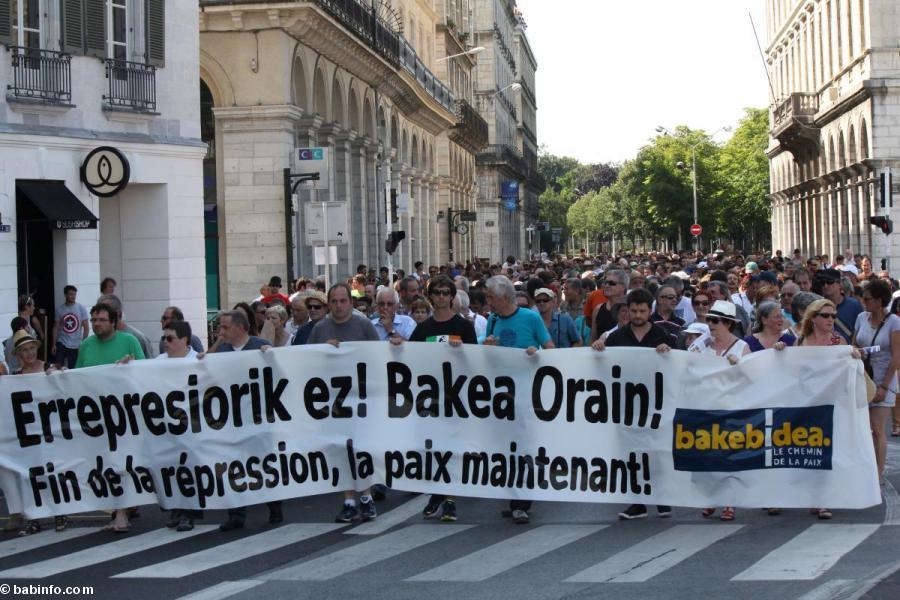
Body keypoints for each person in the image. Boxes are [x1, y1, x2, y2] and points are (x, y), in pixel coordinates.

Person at [399, 275, 477, 522]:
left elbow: (474, 362)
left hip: (456, 396)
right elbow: (412, 361)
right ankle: (437, 492)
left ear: (452, 297)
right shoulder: (423, 329)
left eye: (446, 293)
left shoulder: (464, 327)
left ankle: (450, 499)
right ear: (430, 296)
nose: (442, 297)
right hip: (430, 399)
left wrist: (462, 354)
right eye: (438, 293)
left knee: (452, 448)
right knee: (433, 449)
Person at [590, 288, 672, 521]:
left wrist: (667, 354)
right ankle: (638, 501)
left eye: (642, 311)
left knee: (656, 452)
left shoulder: (662, 336)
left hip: (656, 403)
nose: (637, 315)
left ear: (650, 310)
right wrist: (598, 350)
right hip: (625, 403)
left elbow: (676, 366)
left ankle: (662, 499)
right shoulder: (616, 337)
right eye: (633, 310)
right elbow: (603, 368)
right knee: (630, 454)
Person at [483, 275, 554, 524]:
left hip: (527, 395)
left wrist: (538, 353)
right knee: (508, 450)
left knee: (525, 449)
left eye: (490, 297)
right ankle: (515, 498)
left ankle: (523, 502)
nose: (487, 301)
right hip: (502, 397)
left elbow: (551, 349)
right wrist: (487, 348)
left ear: (503, 297)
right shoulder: (492, 321)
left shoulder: (531, 318)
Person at [307, 283, 380, 522]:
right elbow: (305, 362)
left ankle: (367, 497)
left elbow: (379, 358)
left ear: (351, 302)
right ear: (329, 304)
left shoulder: (364, 325)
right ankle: (349, 501)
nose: (339, 306)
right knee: (341, 450)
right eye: (335, 302)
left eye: (343, 301)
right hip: (333, 402)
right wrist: (322, 351)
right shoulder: (320, 329)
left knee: (361, 449)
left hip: (361, 399)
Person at [209, 310, 281, 531]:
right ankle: (236, 514)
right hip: (233, 418)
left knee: (263, 463)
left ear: (240, 328)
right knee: (233, 465)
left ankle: (275, 506)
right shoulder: (221, 351)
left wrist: (271, 355)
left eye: (225, 327)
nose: (221, 332)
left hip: (259, 418)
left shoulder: (260, 346)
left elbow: (278, 374)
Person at [77, 303, 145, 532]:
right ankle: (120, 507)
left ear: (113, 321)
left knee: (122, 462)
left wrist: (130, 366)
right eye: (94, 319)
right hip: (95, 416)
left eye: (102, 320)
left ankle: (122, 513)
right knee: (104, 464)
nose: (96, 324)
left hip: (124, 415)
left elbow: (146, 375)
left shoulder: (129, 341)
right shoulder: (86, 345)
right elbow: (76, 378)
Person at [797, 298, 861, 520]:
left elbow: (847, 372)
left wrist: (854, 357)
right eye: (826, 316)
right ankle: (814, 497)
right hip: (808, 404)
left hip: (834, 405)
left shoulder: (839, 341)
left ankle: (824, 499)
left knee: (829, 452)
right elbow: (792, 372)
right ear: (813, 318)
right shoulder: (802, 342)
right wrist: (779, 351)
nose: (831, 320)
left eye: (833, 316)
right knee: (811, 452)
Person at [854, 279, 900, 483]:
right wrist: (858, 354)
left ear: (880, 301)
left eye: (868, 299)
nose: (864, 302)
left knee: (877, 426)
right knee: (864, 427)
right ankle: (867, 467)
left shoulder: (894, 322)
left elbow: (896, 355)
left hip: (884, 378)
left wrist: (884, 385)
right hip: (863, 378)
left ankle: (877, 473)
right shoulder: (861, 318)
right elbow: (854, 345)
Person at [157, 320, 202, 531]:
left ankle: (189, 513)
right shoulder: (158, 361)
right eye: (163, 338)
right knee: (172, 468)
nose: (165, 342)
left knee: (191, 468)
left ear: (184, 340)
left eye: (170, 338)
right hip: (168, 426)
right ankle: (177, 508)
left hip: (193, 425)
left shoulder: (199, 361)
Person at [97, 294, 155, 359]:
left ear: (119, 312)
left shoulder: (138, 338)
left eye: (106, 311)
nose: (101, 315)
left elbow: (148, 365)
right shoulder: (91, 342)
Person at [816, 269, 863, 343]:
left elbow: (861, 331)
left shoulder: (854, 305)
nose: (825, 285)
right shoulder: (817, 306)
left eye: (829, 282)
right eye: (822, 282)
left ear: (839, 284)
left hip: (848, 350)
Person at [50, 285, 89, 369]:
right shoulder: (60, 310)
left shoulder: (81, 308)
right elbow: (55, 327)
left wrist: (83, 343)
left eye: (74, 294)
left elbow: (86, 327)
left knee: (73, 368)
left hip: (76, 344)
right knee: (57, 365)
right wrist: (54, 344)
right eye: (71, 294)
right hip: (62, 342)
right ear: (65, 295)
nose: (73, 296)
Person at [590, 269, 628, 342]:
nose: (606, 285)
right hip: (602, 352)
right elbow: (593, 339)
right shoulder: (598, 309)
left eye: (611, 283)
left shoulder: (631, 309)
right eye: (605, 282)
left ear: (623, 286)